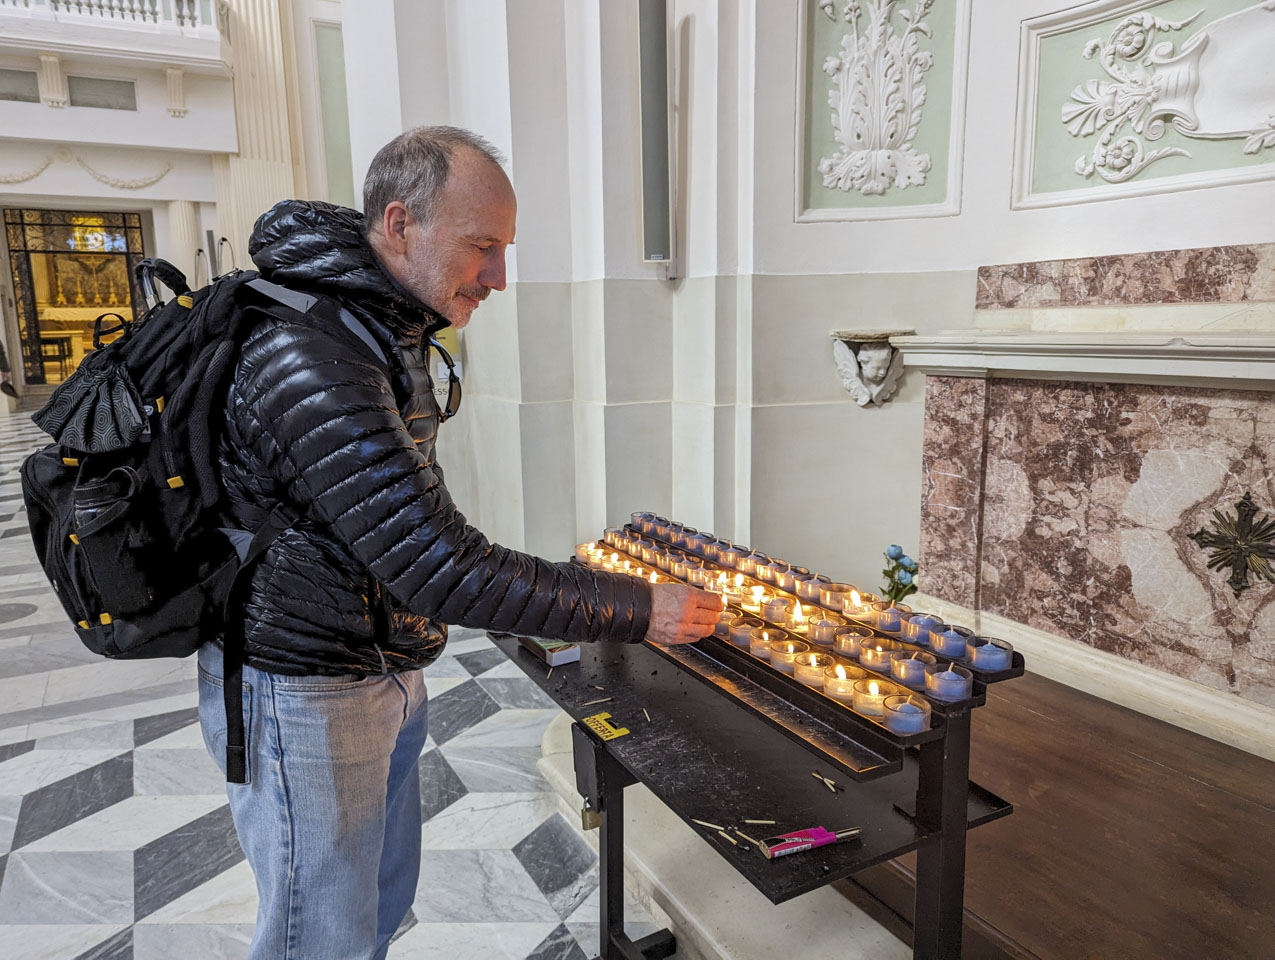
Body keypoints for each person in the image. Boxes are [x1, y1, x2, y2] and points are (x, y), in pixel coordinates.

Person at [195, 125, 722, 960]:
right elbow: (435, 562)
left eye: (504, 250)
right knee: (318, 937)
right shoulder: (311, 352)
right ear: (400, 224)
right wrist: (638, 607)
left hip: (374, 665)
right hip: (306, 690)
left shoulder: (376, 327)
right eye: (483, 246)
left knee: (372, 913)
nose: (500, 278)